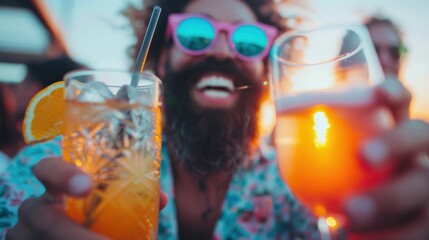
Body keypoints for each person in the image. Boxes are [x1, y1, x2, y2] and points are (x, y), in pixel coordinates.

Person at [3, 0, 429, 239]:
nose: (223, 52)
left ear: (267, 74)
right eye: (195, 34)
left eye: (247, 42)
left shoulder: (298, 187)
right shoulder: (58, 170)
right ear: (161, 63)